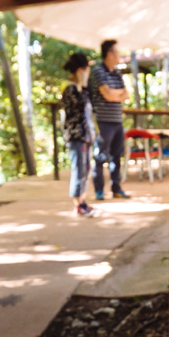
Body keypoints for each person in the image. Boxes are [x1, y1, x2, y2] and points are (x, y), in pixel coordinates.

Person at [88, 38, 131, 201]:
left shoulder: (117, 73)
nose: (119, 55)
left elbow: (126, 95)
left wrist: (116, 94)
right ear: (109, 53)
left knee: (116, 156)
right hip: (102, 122)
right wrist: (115, 94)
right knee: (100, 156)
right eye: (117, 51)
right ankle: (99, 190)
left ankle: (116, 188)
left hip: (117, 121)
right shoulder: (98, 71)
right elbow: (107, 94)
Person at [60, 52, 97, 217]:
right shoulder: (69, 89)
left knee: (86, 169)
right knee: (79, 170)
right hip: (76, 136)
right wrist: (81, 84)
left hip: (87, 135)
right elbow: (79, 106)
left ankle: (83, 200)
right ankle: (77, 204)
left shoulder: (83, 89)